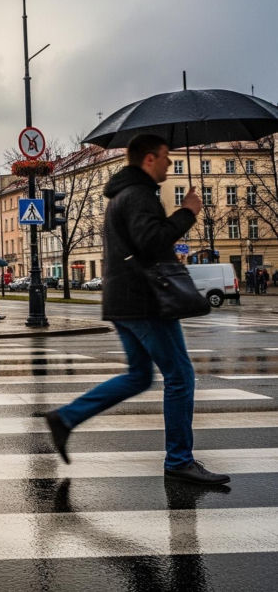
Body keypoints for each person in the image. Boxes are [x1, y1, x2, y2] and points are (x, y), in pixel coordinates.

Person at [45, 133, 229, 485]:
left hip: (122, 300)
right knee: (180, 376)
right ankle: (179, 460)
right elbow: (152, 241)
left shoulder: (120, 195)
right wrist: (187, 213)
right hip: (144, 301)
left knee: (139, 376)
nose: (169, 164)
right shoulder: (140, 195)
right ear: (148, 159)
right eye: (165, 157)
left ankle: (66, 418)